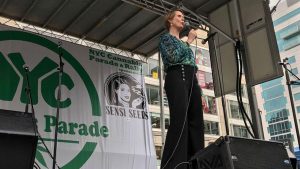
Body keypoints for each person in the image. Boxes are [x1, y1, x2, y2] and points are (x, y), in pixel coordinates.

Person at [159, 9, 204, 169]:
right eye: (179, 16)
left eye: (183, 17)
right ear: (170, 20)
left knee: (196, 122)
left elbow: (190, 62)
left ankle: (196, 162)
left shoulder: (182, 41)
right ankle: (175, 165)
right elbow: (173, 57)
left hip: (191, 79)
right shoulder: (166, 39)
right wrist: (188, 41)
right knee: (180, 122)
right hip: (177, 76)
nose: (182, 18)